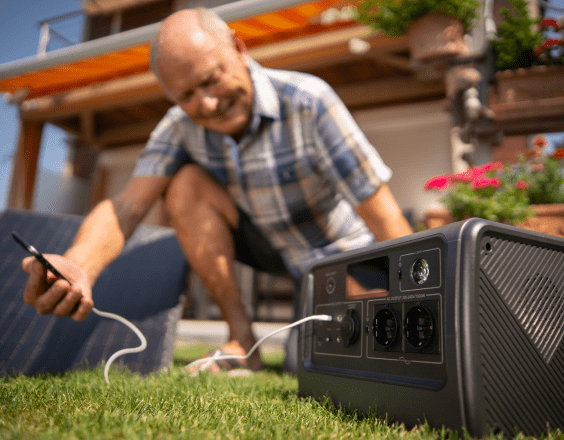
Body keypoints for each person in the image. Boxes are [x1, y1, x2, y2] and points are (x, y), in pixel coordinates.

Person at [21, 8, 413, 374]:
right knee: (185, 186)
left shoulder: (309, 101)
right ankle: (242, 341)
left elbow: (381, 210)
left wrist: (417, 296)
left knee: (318, 363)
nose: (207, 104)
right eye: (186, 96)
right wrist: (78, 265)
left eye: (211, 80)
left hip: (339, 255)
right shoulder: (179, 128)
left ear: (239, 49)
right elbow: (127, 206)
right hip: (267, 244)